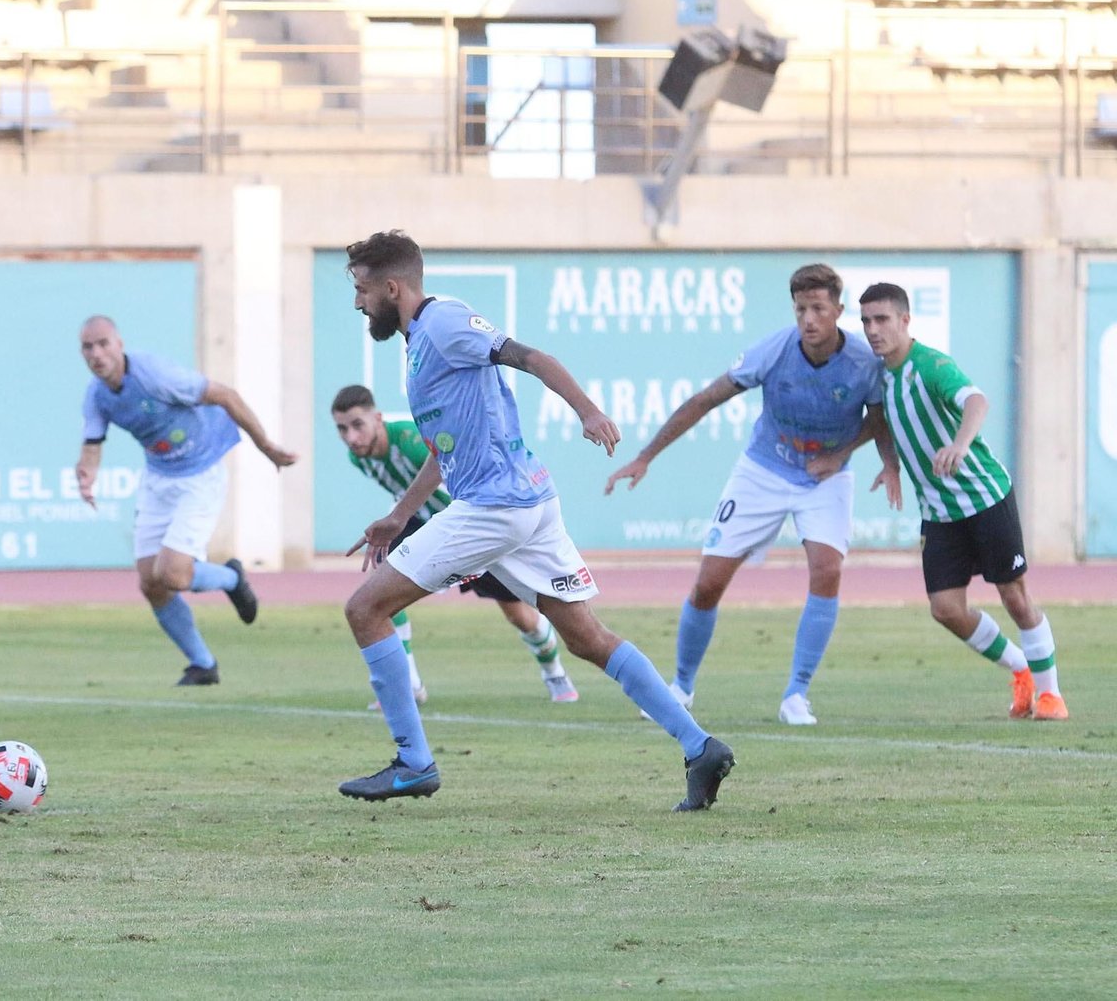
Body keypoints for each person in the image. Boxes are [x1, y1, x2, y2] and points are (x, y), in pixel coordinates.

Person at [338, 230, 735, 810]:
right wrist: (400, 514)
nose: (357, 303)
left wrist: (588, 411)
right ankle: (700, 747)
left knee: (364, 607)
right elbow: (443, 445)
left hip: (497, 507)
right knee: (587, 638)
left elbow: (532, 358)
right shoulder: (420, 339)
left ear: (391, 286)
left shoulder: (444, 322)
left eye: (361, 289)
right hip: (528, 504)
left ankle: (413, 763)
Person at [604, 264, 903, 725]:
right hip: (763, 470)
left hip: (826, 480)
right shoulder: (775, 351)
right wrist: (646, 457)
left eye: (818, 309)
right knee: (708, 583)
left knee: (827, 570)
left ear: (838, 311)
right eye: (801, 309)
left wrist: (866, 458)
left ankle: (796, 696)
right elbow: (706, 399)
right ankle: (681, 686)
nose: (808, 319)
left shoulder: (864, 363)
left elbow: (877, 418)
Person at [857, 283, 1068, 720]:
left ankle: (1051, 696)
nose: (872, 330)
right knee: (945, 609)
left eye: (881, 319)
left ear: (904, 320)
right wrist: (890, 465)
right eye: (865, 321)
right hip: (938, 512)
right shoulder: (880, 376)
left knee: (1014, 596)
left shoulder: (931, 364)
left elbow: (976, 400)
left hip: (984, 497)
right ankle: (1021, 670)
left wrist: (959, 444)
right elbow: (880, 422)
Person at [76, 315, 297, 686]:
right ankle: (202, 664)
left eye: (103, 343)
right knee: (150, 582)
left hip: (200, 472)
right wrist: (87, 476)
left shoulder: (155, 375)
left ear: (119, 343)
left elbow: (225, 395)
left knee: (174, 573)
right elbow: (92, 442)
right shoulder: (97, 395)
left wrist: (267, 448)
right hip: (159, 477)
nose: (97, 353)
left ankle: (230, 577)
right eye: (88, 347)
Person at [330, 383, 580, 707]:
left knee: (521, 616)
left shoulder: (409, 441)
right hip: (429, 526)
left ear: (377, 418)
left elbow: (448, 472)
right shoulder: (359, 457)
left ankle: (555, 673)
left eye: (357, 425)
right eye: (342, 429)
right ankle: (408, 684)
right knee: (379, 590)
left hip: (473, 530)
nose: (351, 437)